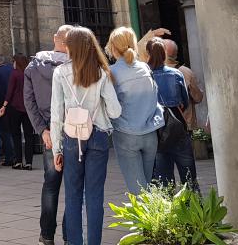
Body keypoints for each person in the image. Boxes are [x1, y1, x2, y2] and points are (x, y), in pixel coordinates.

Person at [51, 27, 122, 245]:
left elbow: (56, 114)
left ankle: (74, 242)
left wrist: (56, 148)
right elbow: (115, 111)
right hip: (98, 136)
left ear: (70, 47)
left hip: (72, 138)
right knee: (94, 195)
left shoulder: (60, 72)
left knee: (72, 195)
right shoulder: (101, 72)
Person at [24, 25, 72, 245]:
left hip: (49, 134)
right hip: (73, 131)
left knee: (51, 185)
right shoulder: (74, 66)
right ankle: (70, 233)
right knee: (73, 184)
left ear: (55, 39)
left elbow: (29, 101)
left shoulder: (33, 66)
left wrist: (42, 130)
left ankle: (46, 235)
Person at [105, 27, 163, 194]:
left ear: (113, 48)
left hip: (126, 134)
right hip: (150, 133)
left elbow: (112, 107)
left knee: (138, 191)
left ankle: (149, 220)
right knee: (146, 188)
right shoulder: (145, 68)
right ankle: (153, 219)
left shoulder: (112, 73)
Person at [147, 38, 198, 191]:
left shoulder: (146, 76)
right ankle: (194, 211)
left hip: (157, 132)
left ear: (148, 53)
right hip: (178, 128)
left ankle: (168, 213)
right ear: (165, 54)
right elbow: (185, 101)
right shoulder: (176, 74)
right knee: (189, 179)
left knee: (164, 182)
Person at [0, 54, 35, 169]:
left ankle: (18, 161)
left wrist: (4, 105)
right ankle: (28, 162)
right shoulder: (30, 73)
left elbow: (10, 91)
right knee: (29, 135)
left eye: (13, 61)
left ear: (17, 62)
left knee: (16, 134)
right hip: (29, 108)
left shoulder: (15, 74)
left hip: (15, 107)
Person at [163, 39, 204, 131]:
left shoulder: (152, 72)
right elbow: (198, 98)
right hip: (186, 125)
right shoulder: (186, 72)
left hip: (164, 128)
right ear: (176, 54)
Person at [0, 53, 15, 165]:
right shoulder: (12, 69)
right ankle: (17, 155)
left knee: (5, 132)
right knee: (14, 131)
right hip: (15, 105)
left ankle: (10, 157)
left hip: (3, 106)